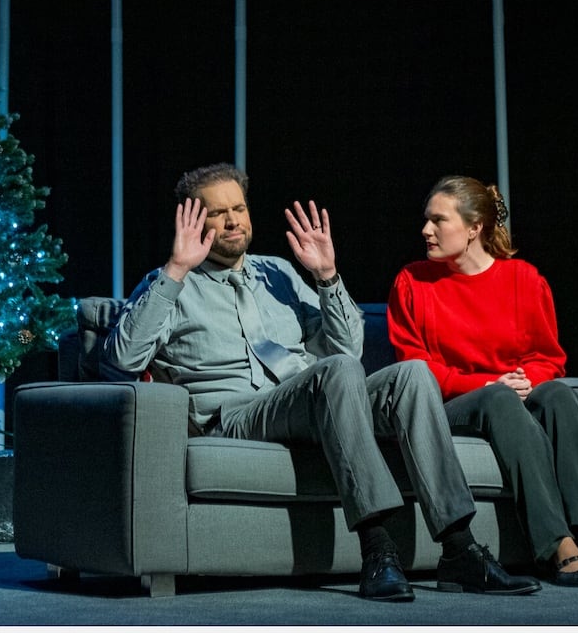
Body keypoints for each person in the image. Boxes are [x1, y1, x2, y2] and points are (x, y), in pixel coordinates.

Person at [102, 163, 541, 602]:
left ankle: (460, 549)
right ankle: (377, 549)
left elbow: (348, 348)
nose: (233, 220)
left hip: (310, 402)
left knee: (411, 375)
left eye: (239, 208)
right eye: (218, 213)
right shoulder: (169, 285)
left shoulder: (277, 273)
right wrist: (176, 269)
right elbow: (121, 361)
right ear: (193, 221)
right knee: (337, 372)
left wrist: (327, 276)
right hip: (238, 414)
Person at [387, 175, 578, 588]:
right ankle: (555, 543)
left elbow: (548, 357)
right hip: (449, 405)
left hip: (510, 395)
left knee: (558, 396)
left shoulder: (524, 279)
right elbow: (415, 368)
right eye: (426, 220)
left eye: (438, 220)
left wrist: (526, 381)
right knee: (498, 398)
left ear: (474, 227)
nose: (426, 230)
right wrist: (489, 384)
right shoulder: (412, 281)